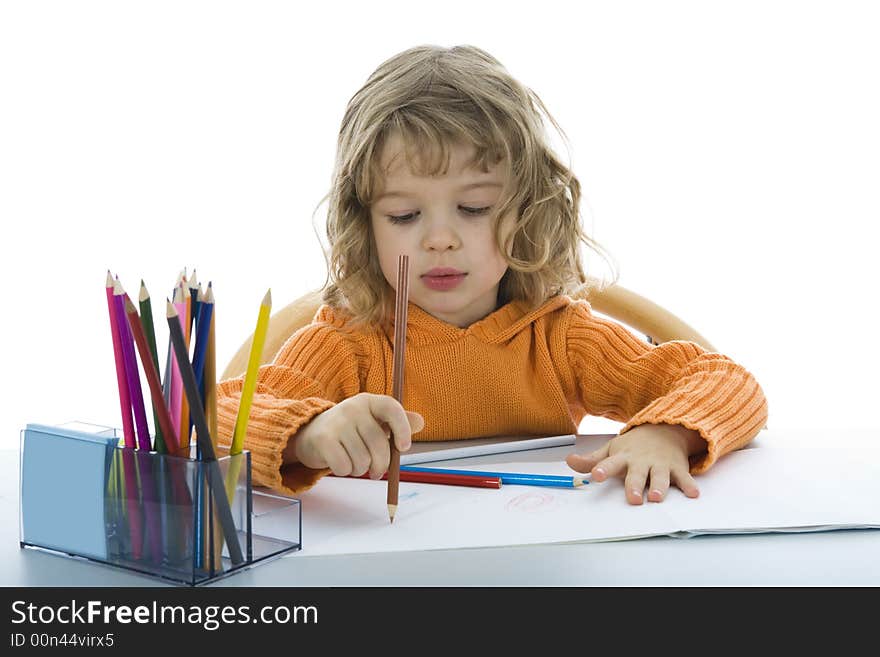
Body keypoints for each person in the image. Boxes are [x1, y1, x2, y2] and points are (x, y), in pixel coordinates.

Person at [216, 44, 767, 505]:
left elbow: (732, 385)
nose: (439, 238)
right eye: (404, 216)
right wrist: (306, 436)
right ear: (364, 225)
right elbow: (213, 416)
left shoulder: (560, 337)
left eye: (475, 208)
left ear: (527, 210)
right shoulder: (347, 344)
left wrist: (664, 433)